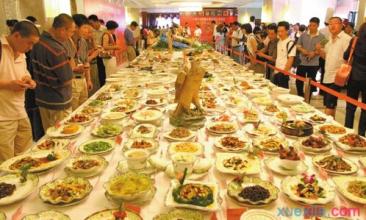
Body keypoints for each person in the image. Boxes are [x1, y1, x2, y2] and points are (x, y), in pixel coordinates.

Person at [0, 21, 39, 161]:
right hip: (3, 118)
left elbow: (24, 72)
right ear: (16, 35)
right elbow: (9, 81)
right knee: (6, 162)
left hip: (20, 111)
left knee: (25, 157)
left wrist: (29, 79)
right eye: (29, 43)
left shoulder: (21, 52)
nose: (30, 48)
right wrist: (8, 85)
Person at [31, 13, 75, 130]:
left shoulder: (37, 42)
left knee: (49, 136)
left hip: (43, 98)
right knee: (62, 135)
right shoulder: (56, 49)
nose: (71, 36)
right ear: (62, 30)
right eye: (71, 32)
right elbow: (67, 79)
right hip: (58, 101)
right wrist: (71, 66)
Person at [317, 17, 351, 118]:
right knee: (330, 103)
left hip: (337, 76)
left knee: (329, 104)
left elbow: (349, 59)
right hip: (327, 75)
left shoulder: (346, 39)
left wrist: (344, 76)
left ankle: (327, 126)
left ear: (341, 25)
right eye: (330, 24)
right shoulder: (328, 39)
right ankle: (332, 124)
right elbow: (326, 57)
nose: (332, 26)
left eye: (335, 23)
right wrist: (320, 51)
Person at [63, 14, 93, 111]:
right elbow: (65, 64)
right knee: (74, 111)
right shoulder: (65, 42)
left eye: (88, 28)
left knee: (84, 110)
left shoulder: (83, 42)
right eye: (84, 28)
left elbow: (86, 61)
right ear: (75, 27)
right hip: (72, 81)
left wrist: (88, 80)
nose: (87, 31)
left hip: (82, 79)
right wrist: (75, 68)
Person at [344, 23, 366, 136]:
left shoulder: (355, 40)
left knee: (350, 106)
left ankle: (348, 131)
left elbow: (346, 55)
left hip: (354, 77)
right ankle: (362, 134)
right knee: (365, 108)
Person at [295, 17, 325, 98]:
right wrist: (302, 50)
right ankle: (300, 95)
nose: (311, 27)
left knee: (311, 81)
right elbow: (297, 45)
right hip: (302, 62)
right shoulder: (303, 34)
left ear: (318, 26)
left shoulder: (323, 37)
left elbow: (323, 49)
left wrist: (314, 53)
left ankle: (308, 97)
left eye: (314, 25)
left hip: (314, 63)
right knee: (299, 80)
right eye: (310, 25)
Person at [274, 21, 296, 88]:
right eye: (278, 31)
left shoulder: (290, 43)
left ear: (287, 31)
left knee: (283, 92)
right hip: (276, 70)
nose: (280, 33)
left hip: (283, 72)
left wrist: (285, 72)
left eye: (282, 31)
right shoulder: (279, 41)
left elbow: (291, 59)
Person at [88, 14, 107, 86]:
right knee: (96, 74)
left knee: (103, 73)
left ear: (97, 21)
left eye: (91, 23)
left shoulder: (104, 29)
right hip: (93, 53)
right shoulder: (91, 30)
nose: (91, 25)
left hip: (102, 54)